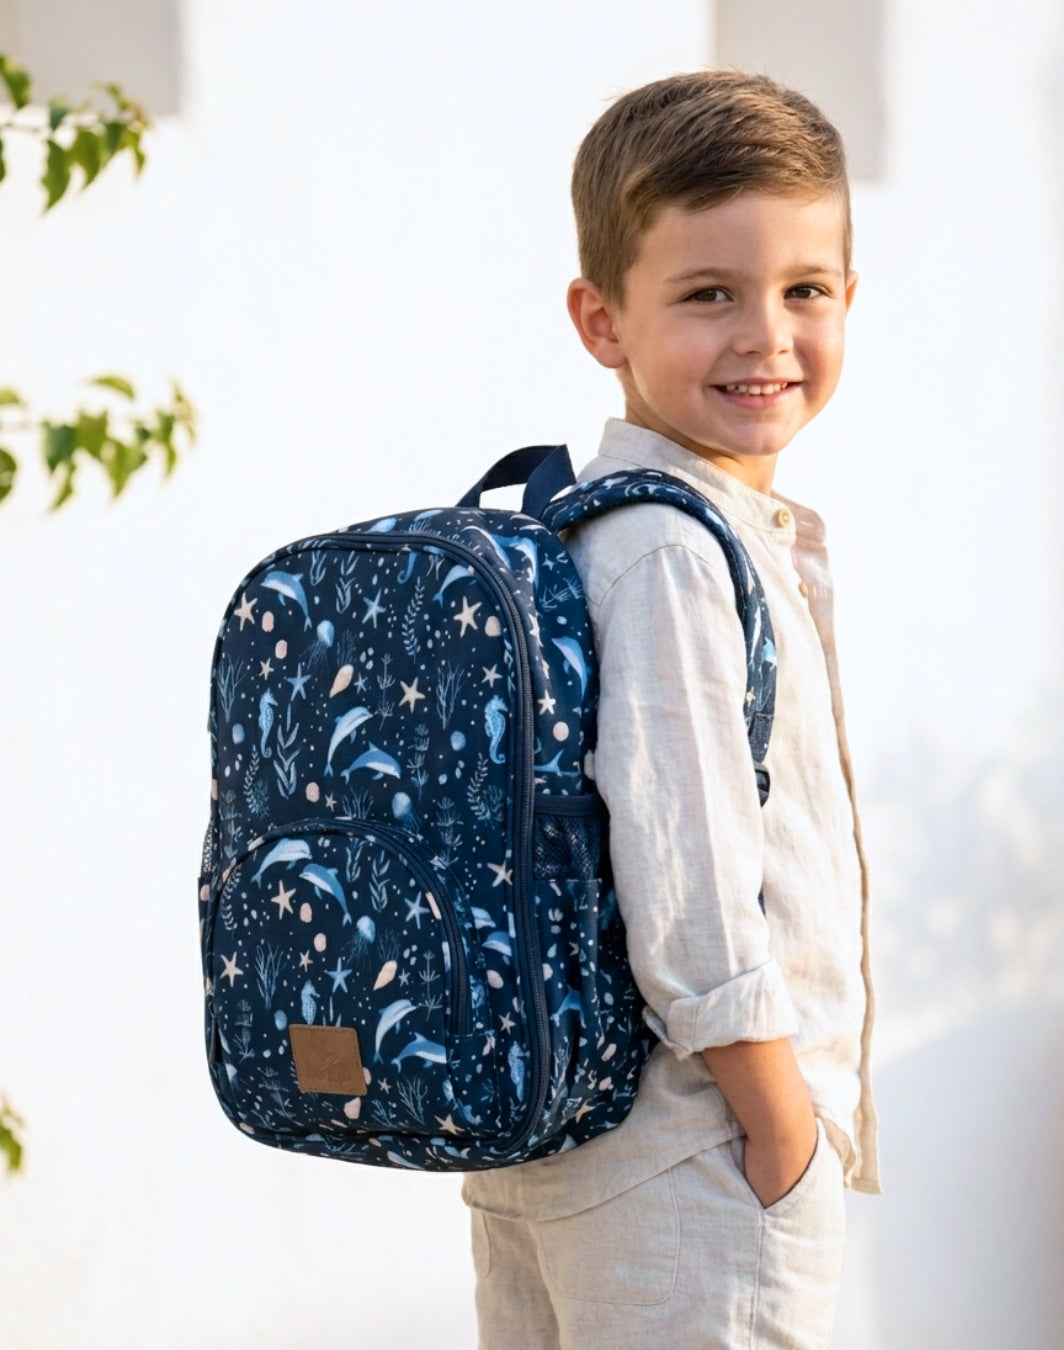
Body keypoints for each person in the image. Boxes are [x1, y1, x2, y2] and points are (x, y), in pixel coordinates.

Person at [461, 70, 880, 1349]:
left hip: (561, 1143)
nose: (766, 336)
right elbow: (693, 883)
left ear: (849, 299)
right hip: (697, 1150)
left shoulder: (588, 524)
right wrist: (780, 1129)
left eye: (805, 290)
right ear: (602, 319)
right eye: (708, 294)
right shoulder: (667, 548)